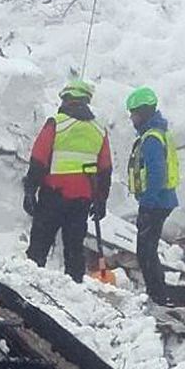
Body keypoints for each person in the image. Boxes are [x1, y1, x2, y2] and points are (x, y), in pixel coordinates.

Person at [24, 77, 112, 283]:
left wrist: (30, 189)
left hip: (52, 196)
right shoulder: (99, 131)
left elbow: (39, 158)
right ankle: (74, 289)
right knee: (74, 251)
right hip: (82, 200)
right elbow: (105, 169)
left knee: (38, 248)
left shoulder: (57, 123)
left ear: (66, 99)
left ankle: (29, 286)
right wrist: (101, 200)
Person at [125, 86, 179, 305]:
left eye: (134, 114)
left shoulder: (152, 139)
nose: (132, 118)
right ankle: (157, 292)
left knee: (146, 251)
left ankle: (157, 295)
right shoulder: (155, 133)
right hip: (159, 201)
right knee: (147, 249)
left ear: (144, 113)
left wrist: (147, 205)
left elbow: (157, 173)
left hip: (156, 202)